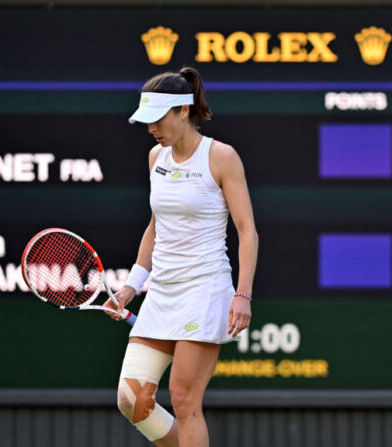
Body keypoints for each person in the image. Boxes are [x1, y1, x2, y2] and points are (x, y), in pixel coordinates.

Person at [103, 66, 258, 447]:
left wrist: (243, 295)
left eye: (158, 119)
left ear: (183, 111)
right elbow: (155, 229)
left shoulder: (222, 157)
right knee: (131, 399)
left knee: (185, 400)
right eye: (146, 122)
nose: (152, 128)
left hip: (205, 292)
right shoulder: (156, 157)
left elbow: (247, 230)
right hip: (161, 294)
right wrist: (129, 289)